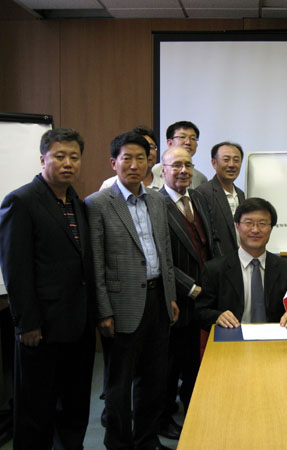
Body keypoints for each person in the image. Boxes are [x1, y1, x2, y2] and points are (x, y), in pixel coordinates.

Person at [0, 128, 96, 450]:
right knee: (36, 411)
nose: (68, 163)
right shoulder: (21, 201)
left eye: (74, 157)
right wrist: (27, 323)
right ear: (43, 160)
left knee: (74, 405)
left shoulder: (77, 202)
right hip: (41, 328)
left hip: (78, 325)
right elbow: (15, 269)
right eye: (60, 156)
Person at [86, 131, 178, 450]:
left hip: (157, 299)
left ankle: (146, 439)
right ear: (114, 163)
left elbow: (164, 251)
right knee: (119, 383)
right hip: (121, 304)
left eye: (141, 158)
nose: (135, 165)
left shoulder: (157, 200)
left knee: (153, 379)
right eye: (127, 158)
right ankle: (118, 443)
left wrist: (170, 296)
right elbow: (95, 262)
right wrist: (103, 311)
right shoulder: (98, 203)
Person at [159, 147, 216, 438]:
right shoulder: (156, 204)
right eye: (176, 165)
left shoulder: (198, 199)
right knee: (169, 364)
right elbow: (159, 256)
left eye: (188, 165)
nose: (184, 170)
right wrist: (189, 287)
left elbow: (207, 244)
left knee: (193, 359)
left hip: (202, 296)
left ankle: (192, 409)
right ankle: (163, 417)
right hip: (175, 297)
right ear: (163, 170)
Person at [197, 197, 287, 329]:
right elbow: (201, 311)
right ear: (237, 226)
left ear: (271, 228)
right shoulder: (214, 269)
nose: (255, 230)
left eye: (262, 224)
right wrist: (217, 317)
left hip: (276, 337)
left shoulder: (286, 268)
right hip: (232, 337)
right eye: (248, 223)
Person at [196, 141, 245, 257]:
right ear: (214, 163)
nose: (232, 165)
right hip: (217, 261)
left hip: (240, 258)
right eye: (226, 159)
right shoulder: (203, 192)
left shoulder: (240, 194)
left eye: (236, 160)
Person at [100, 125, 162, 190]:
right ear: (114, 163)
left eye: (151, 147)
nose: (148, 153)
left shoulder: (165, 184)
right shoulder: (109, 185)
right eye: (127, 158)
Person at [152, 121, 207, 189]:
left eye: (193, 138)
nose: (188, 142)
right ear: (170, 143)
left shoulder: (201, 179)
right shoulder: (154, 172)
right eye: (182, 137)